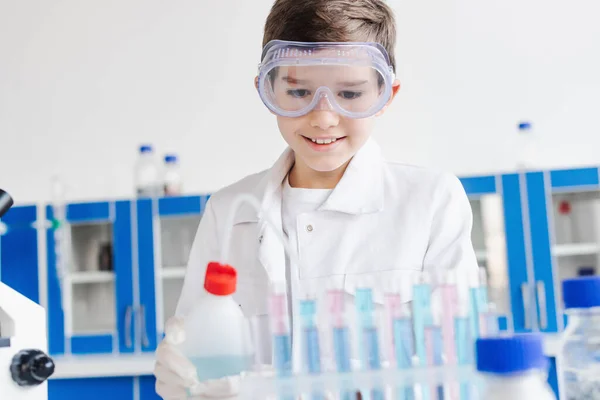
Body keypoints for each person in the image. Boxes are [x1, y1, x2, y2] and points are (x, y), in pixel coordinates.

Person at [154, 0, 478, 398]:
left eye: (349, 93)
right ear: (266, 88)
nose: (323, 116)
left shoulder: (430, 202)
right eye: (299, 91)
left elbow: (458, 365)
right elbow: (196, 362)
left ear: (386, 93)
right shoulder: (229, 211)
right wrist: (184, 380)